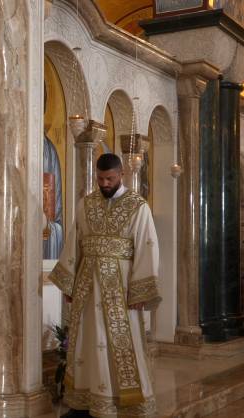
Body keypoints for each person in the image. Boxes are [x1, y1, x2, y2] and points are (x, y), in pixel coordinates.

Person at [49, 153, 160, 418]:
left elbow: (147, 247)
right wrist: (69, 284)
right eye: (100, 179)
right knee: (87, 341)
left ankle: (124, 403)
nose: (105, 183)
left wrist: (140, 291)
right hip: (87, 286)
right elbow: (75, 243)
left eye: (109, 178)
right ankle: (85, 402)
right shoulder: (86, 204)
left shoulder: (138, 206)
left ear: (121, 174)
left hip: (121, 290)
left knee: (120, 342)